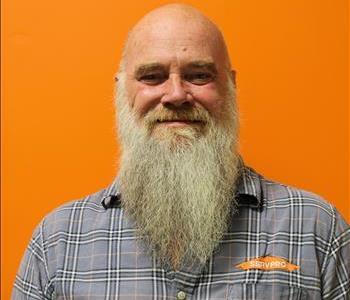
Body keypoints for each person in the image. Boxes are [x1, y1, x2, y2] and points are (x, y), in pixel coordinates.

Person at [12, 4, 349, 299]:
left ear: (231, 86)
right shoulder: (57, 243)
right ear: (121, 89)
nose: (175, 94)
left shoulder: (316, 230)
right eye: (152, 76)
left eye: (198, 75)